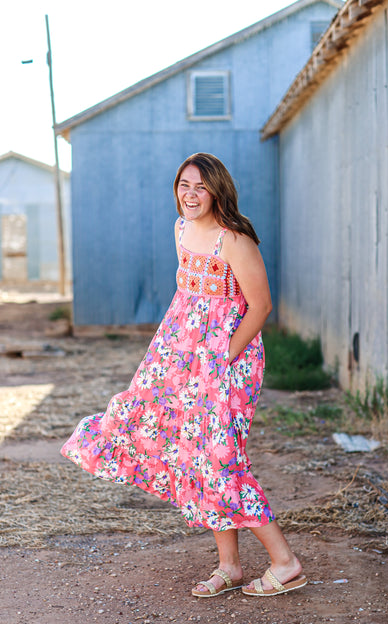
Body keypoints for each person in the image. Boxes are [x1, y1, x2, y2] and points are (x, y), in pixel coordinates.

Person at [61, 153, 306, 598]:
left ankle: (285, 562)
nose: (190, 195)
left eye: (200, 187)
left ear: (217, 191)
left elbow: (261, 306)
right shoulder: (180, 228)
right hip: (181, 355)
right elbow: (187, 296)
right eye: (183, 186)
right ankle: (229, 565)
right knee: (192, 452)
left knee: (220, 457)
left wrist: (220, 357)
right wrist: (176, 358)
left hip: (227, 359)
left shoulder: (234, 240)